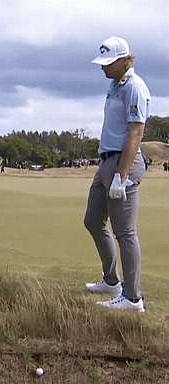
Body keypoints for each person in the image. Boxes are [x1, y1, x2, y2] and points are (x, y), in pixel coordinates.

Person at [83, 37, 149, 312]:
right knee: (92, 220)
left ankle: (132, 298)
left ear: (125, 60)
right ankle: (112, 281)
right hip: (106, 162)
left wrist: (121, 176)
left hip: (124, 164)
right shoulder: (115, 85)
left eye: (108, 63)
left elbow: (136, 132)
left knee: (125, 231)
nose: (103, 68)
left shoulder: (135, 87)